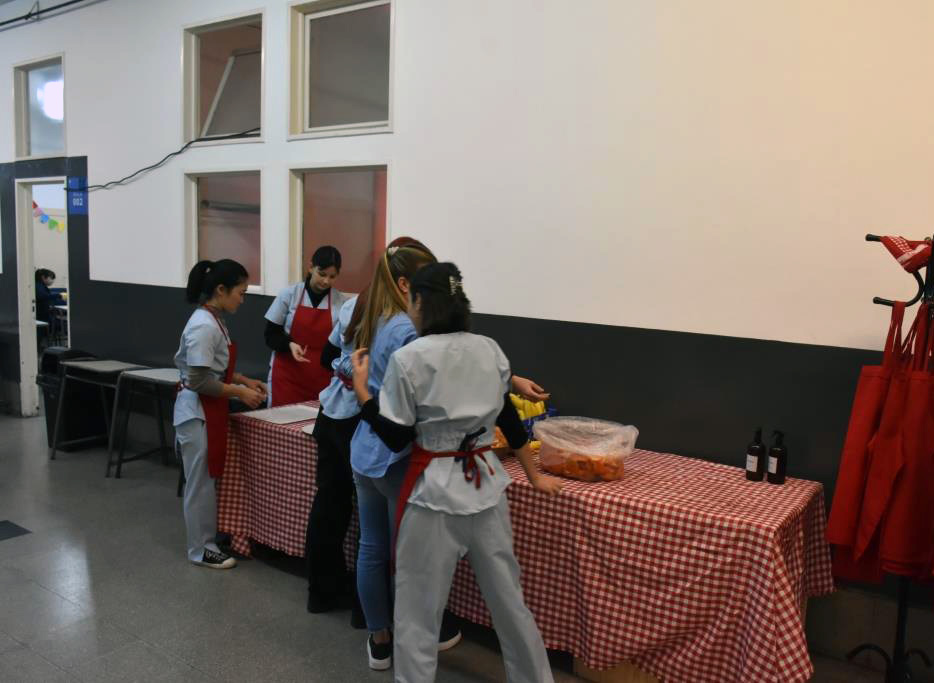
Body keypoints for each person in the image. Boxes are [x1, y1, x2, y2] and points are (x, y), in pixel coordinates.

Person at [351, 262, 563, 682]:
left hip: (434, 495)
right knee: (510, 605)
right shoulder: (489, 348)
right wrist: (534, 475)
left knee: (417, 614)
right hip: (486, 487)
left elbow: (395, 436)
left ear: (419, 302)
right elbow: (508, 418)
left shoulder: (409, 358)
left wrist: (363, 395)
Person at [173, 259, 268, 569]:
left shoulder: (215, 319)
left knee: (207, 479)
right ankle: (200, 549)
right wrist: (240, 393)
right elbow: (200, 380)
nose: (243, 298)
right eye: (241, 292)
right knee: (199, 483)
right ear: (221, 290)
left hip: (209, 409)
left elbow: (215, 368)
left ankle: (208, 540)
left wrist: (241, 379)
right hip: (196, 411)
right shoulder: (203, 325)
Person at [304, 292, 365, 621]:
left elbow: (327, 354)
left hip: (330, 412)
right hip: (360, 415)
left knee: (329, 502)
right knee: (369, 515)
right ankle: (365, 607)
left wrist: (343, 372)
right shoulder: (395, 317)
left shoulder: (351, 304)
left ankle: (322, 592)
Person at [264, 246, 350, 407]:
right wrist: (289, 344)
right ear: (310, 267)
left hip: (322, 378)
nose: (326, 281)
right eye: (322, 274)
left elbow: (342, 344)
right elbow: (270, 335)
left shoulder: (342, 302)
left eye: (332, 276)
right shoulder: (289, 295)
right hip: (287, 377)